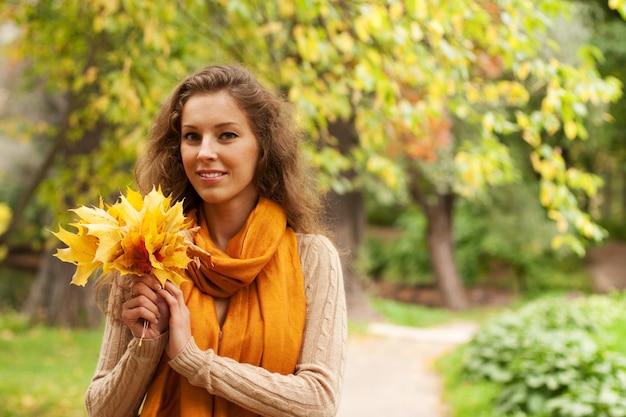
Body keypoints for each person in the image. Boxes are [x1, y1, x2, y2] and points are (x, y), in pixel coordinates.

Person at [85, 64, 347, 417]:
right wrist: (147, 346)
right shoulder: (147, 253)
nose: (205, 152)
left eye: (226, 135)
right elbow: (102, 410)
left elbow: (319, 402)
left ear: (262, 147)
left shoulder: (311, 257)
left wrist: (192, 360)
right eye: (192, 136)